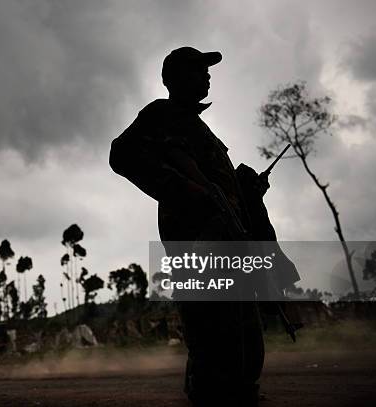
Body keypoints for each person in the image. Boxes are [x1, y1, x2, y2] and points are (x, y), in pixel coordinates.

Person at [109, 47, 264, 406]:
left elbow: (223, 190)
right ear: (172, 78)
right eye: (197, 69)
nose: (207, 76)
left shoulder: (201, 130)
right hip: (196, 245)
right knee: (213, 341)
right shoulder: (161, 114)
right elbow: (122, 154)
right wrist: (184, 190)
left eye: (207, 71)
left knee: (244, 342)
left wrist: (246, 191)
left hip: (228, 246)